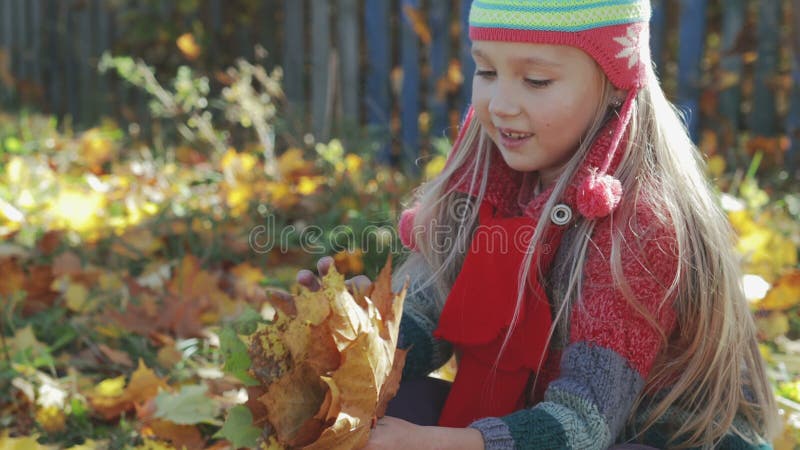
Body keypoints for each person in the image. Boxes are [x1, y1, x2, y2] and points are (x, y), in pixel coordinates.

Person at [299, 0, 779, 448]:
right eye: (486, 71)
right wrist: (354, 342)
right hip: (537, 416)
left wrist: (448, 442)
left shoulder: (640, 225)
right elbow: (429, 312)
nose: (501, 103)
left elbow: (586, 422)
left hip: (662, 435)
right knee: (383, 412)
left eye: (536, 81)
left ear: (615, 82)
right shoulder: (491, 180)